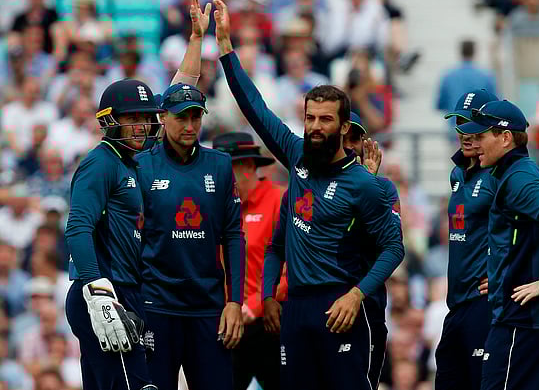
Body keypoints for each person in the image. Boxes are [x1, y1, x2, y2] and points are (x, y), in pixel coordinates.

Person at [213, 0, 405, 390]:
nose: (315, 127)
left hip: (341, 304)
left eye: (325, 120)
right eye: (310, 118)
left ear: (342, 125)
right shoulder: (297, 154)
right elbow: (256, 110)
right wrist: (226, 49)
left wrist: (356, 296)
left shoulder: (364, 183)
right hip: (295, 307)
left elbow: (393, 248)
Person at [64, 0, 211, 390]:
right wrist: (97, 291)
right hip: (104, 292)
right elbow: (77, 227)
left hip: (125, 291)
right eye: (133, 119)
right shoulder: (102, 161)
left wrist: (196, 41)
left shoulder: (136, 160)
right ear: (110, 121)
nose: (143, 126)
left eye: (146, 120)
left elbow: (179, 92)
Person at [456, 100, 539, 390]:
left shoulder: (518, 177)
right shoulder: (521, 172)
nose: (475, 143)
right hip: (535, 318)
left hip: (522, 318)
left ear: (505, 138)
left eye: (482, 135)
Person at [264, 111, 398, 390]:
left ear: (365, 143)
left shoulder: (381, 188)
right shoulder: (301, 187)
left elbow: (387, 247)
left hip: (364, 309)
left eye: (356, 138)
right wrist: (268, 293)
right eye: (344, 137)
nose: (349, 144)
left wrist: (367, 182)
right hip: (310, 306)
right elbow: (277, 246)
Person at [135, 83, 245, 390]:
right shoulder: (142, 166)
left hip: (208, 306)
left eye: (196, 117)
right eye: (181, 117)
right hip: (156, 304)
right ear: (163, 118)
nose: (190, 125)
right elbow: (133, 237)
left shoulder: (220, 164)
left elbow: (234, 235)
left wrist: (235, 302)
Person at [212, 132, 286, 390]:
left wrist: (254, 305)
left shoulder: (280, 201)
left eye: (225, 170)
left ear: (247, 166)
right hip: (228, 323)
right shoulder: (216, 208)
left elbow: (294, 266)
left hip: (272, 322)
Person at [435, 89, 498, 390]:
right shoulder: (457, 174)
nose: (466, 133)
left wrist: (520, 275)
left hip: (484, 303)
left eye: (473, 123)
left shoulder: (504, 174)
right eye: (460, 122)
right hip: (456, 305)